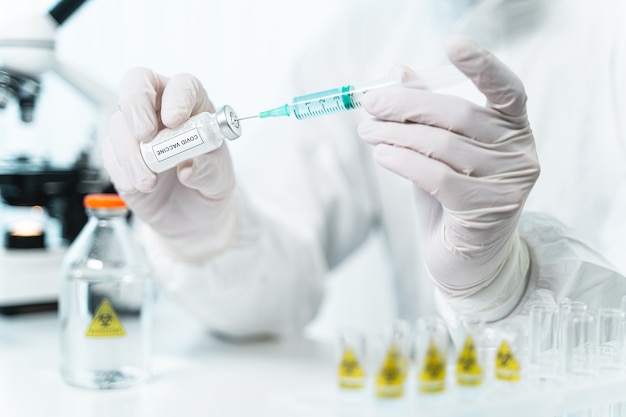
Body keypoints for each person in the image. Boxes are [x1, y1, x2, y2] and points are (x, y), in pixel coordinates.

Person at [103, 0, 626, 339]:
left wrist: (509, 283)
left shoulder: (608, 31)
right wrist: (209, 235)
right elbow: (272, 301)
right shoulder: (364, 35)